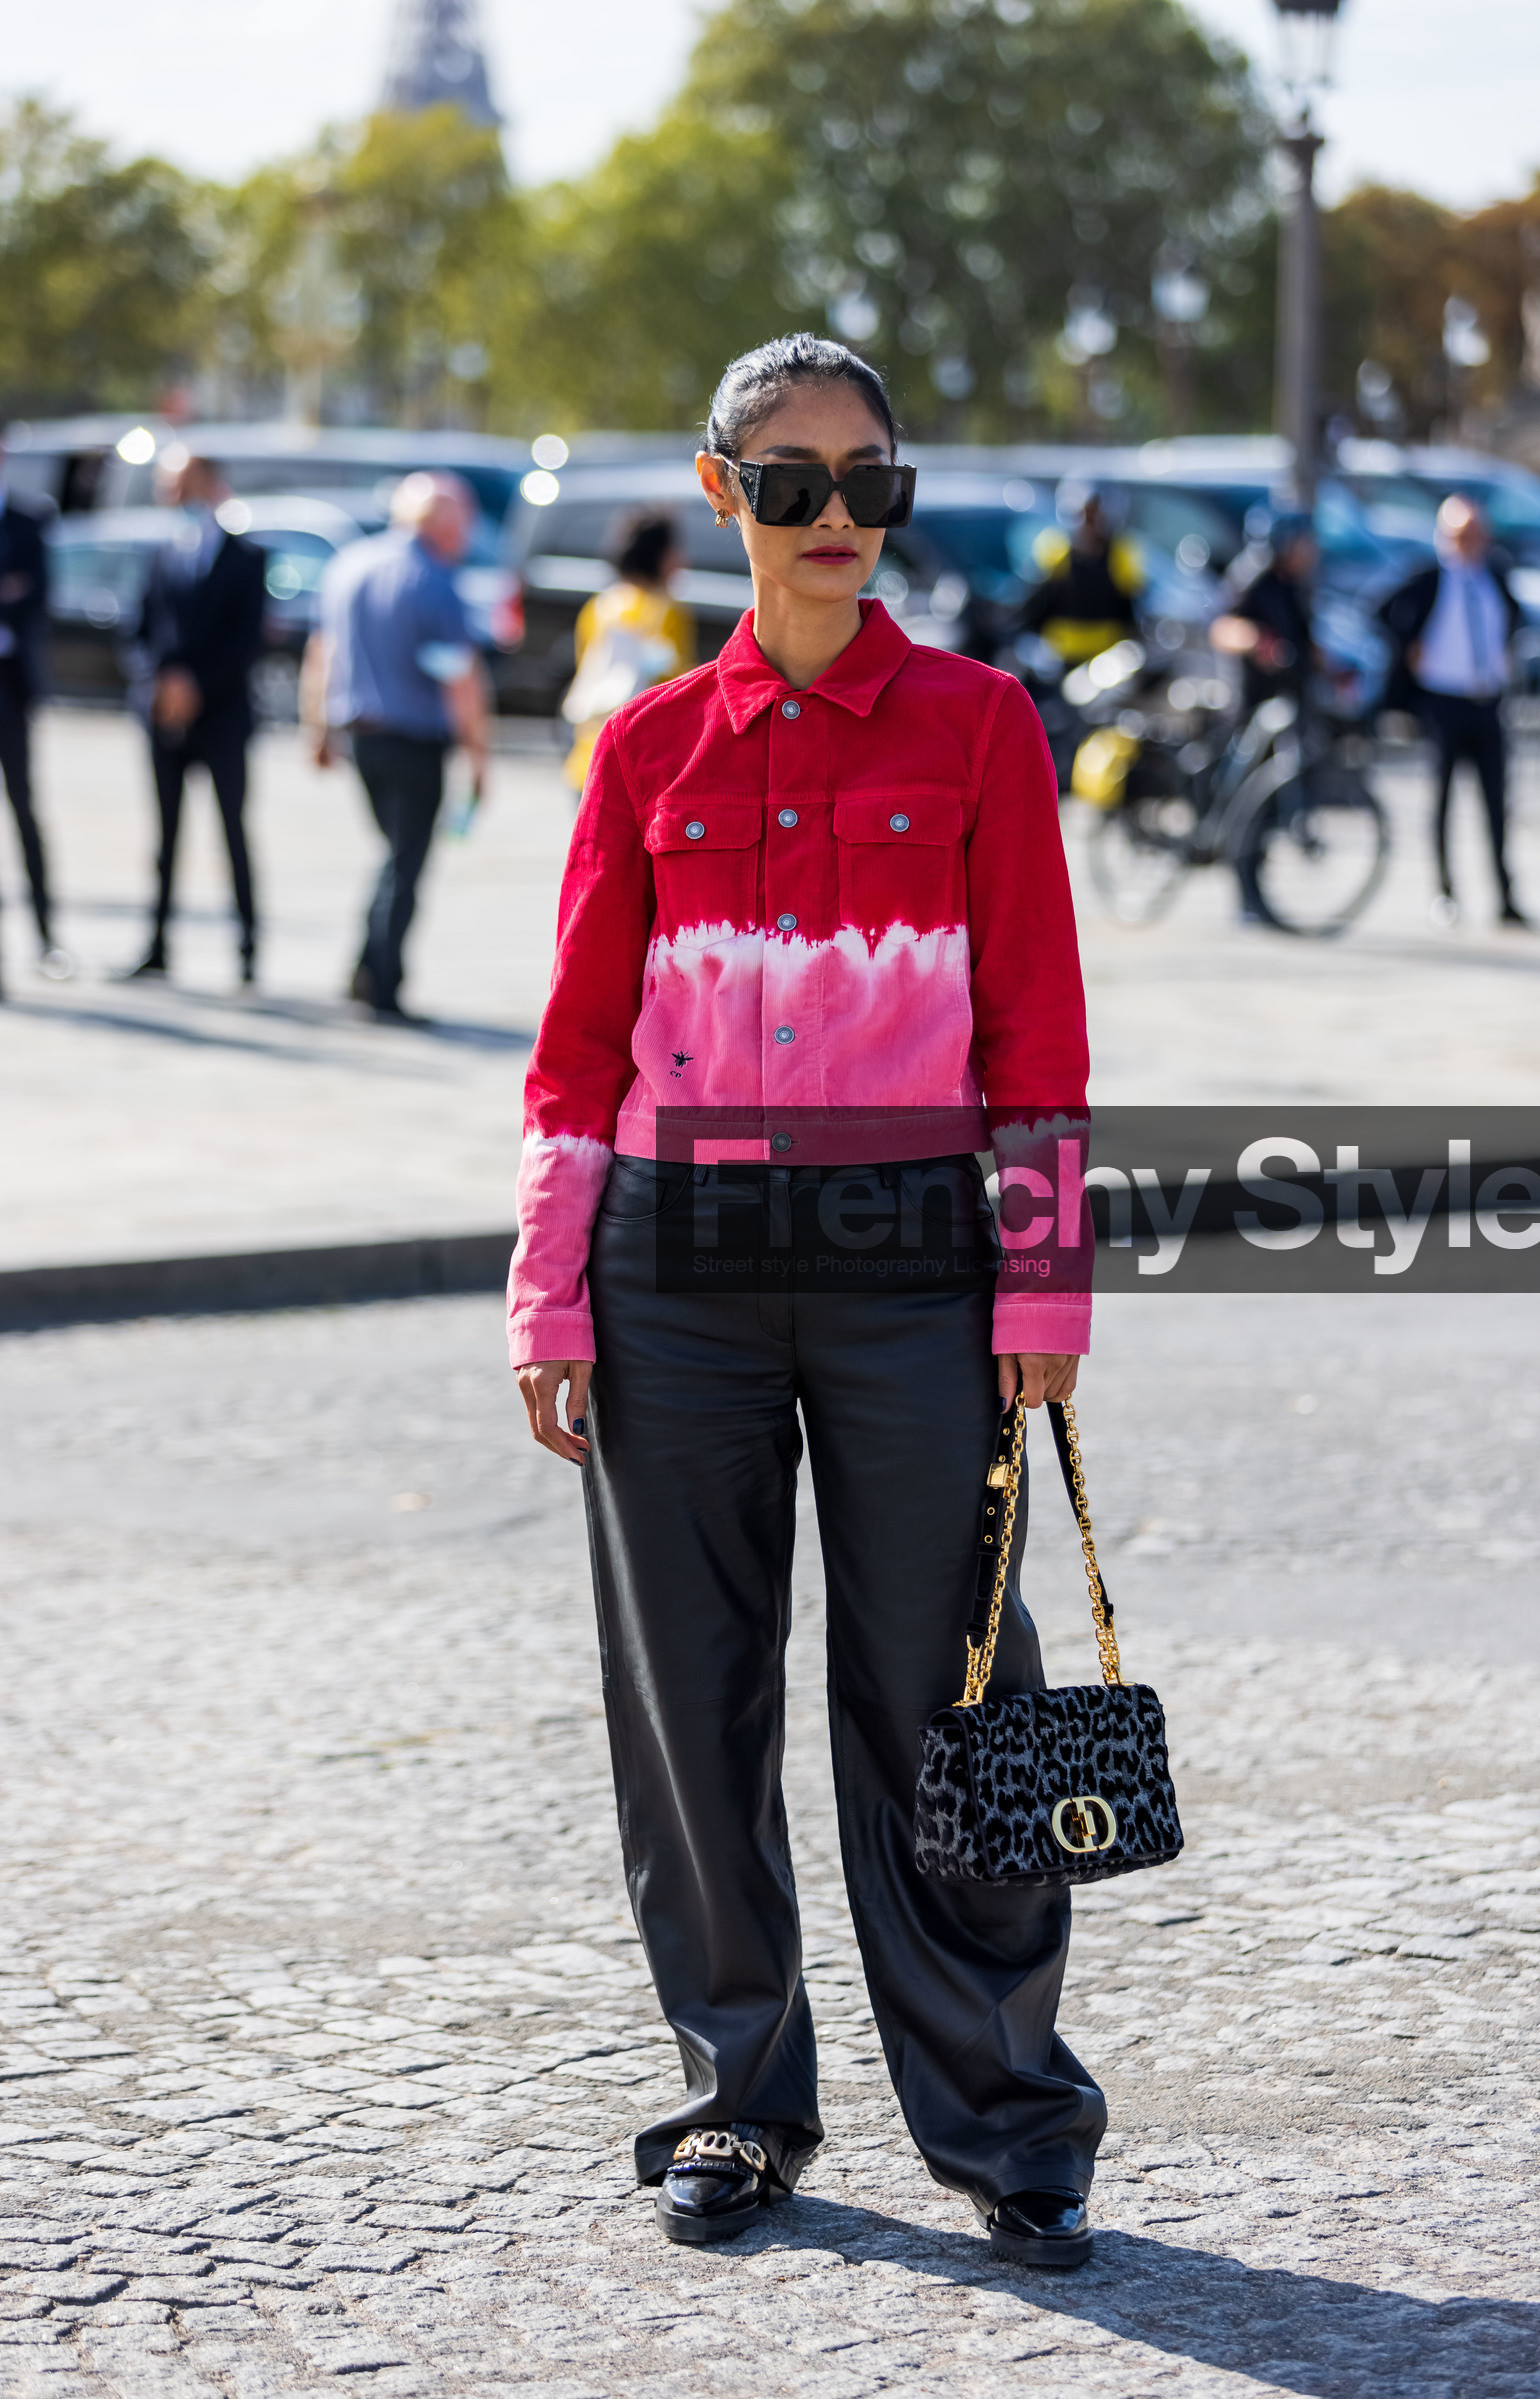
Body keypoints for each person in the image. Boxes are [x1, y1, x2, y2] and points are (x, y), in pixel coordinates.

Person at [508, 333, 1102, 2270]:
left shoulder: (984, 723)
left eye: (869, 480)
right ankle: (736, 2091)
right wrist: (549, 1289)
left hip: (907, 1251)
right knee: (690, 1692)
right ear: (717, 492)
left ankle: (1010, 2114)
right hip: (669, 1259)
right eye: (791, 481)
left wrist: (1041, 1277)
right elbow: (576, 1047)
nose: (836, 515)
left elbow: (1033, 1027)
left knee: (945, 1683)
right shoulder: (648, 743)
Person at [302, 472, 490, 1020]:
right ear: (440, 523)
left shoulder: (349, 566)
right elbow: (462, 678)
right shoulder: (432, 579)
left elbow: (322, 656)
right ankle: (381, 980)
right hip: (414, 741)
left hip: (362, 735)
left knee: (391, 856)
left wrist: (317, 727)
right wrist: (479, 755)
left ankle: (367, 968)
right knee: (405, 861)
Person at [120, 451, 267, 984]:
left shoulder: (246, 557)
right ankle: (157, 943)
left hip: (221, 715)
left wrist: (195, 684)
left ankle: (248, 948)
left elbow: (246, 640)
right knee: (165, 836)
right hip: (163, 715)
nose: (169, 495)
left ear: (205, 483)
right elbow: (138, 631)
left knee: (232, 831)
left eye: (177, 484)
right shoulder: (160, 554)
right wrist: (160, 681)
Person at [1378, 495, 1527, 928]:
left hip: (1486, 701)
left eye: (1475, 534)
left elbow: (1515, 619)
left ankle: (1505, 894)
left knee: (1496, 803)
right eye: (1461, 535)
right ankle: (1444, 891)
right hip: (1443, 702)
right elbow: (1384, 613)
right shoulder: (1428, 579)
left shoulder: (1493, 579)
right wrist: (1409, 651)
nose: (1469, 543)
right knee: (1442, 800)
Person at [0, 438, 71, 990]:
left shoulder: (29, 518)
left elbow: (37, 595)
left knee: (24, 808)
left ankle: (47, 935)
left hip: (11, 685)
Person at [562, 508, 695, 793]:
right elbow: (680, 691)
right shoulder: (666, 611)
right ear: (659, 555)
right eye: (675, 549)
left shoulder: (598, 606)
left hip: (590, 755)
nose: (682, 559)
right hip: (643, 766)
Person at [1015, 488, 1144, 667]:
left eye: (1095, 514)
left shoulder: (1121, 555)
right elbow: (1037, 604)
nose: (1089, 522)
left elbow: (1131, 604)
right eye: (1084, 514)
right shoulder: (1056, 550)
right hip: (1060, 653)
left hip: (1108, 658)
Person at [1210, 511, 1319, 716]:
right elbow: (1220, 627)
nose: (1312, 551)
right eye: (1305, 543)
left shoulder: (1293, 584)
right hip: (1251, 699)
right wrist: (1256, 639)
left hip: (1289, 695)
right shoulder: (1254, 579)